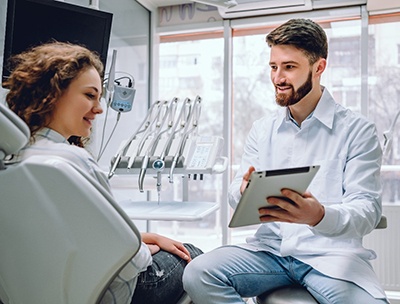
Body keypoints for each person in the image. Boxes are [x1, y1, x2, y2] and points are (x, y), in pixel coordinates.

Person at [183, 18, 388, 304]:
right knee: (198, 273)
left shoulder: (358, 130)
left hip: (330, 256)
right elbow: (234, 192)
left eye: (289, 67)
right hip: (271, 253)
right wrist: (243, 191)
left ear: (319, 68)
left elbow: (366, 210)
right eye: (273, 67)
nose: (278, 77)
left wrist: (318, 216)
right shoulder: (262, 129)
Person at [4, 41, 203, 304]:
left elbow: (63, 235)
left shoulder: (13, 163)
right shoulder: (71, 161)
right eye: (89, 95)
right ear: (52, 93)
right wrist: (144, 247)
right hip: (114, 293)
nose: (99, 109)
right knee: (195, 255)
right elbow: (133, 261)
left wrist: (145, 237)